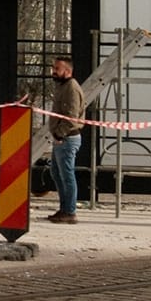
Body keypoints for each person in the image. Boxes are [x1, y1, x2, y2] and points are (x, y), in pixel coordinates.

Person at [45, 57, 87, 224]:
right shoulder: (62, 86)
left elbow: (71, 116)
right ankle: (64, 209)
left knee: (67, 175)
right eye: (53, 67)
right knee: (57, 173)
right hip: (61, 138)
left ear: (68, 71)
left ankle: (70, 211)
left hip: (67, 138)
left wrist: (60, 134)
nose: (54, 71)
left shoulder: (71, 88)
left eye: (57, 68)